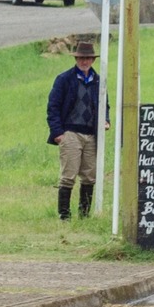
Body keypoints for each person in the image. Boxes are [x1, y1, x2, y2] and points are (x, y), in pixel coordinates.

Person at [47, 38, 102, 220]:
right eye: (81, 58)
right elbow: (53, 106)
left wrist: (106, 120)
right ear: (76, 59)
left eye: (87, 58)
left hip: (91, 134)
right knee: (68, 175)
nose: (84, 62)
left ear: (92, 60)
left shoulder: (99, 81)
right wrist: (58, 134)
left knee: (89, 176)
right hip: (70, 132)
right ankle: (64, 215)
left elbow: (104, 105)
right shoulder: (64, 79)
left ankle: (84, 215)